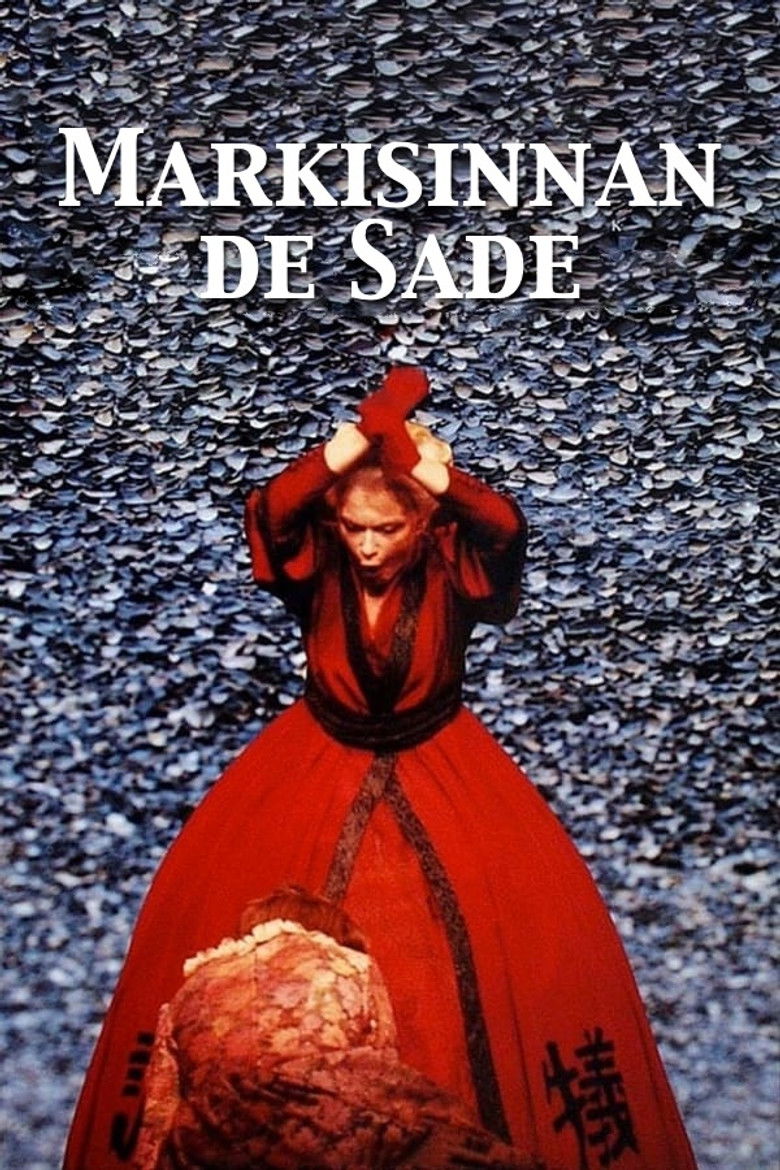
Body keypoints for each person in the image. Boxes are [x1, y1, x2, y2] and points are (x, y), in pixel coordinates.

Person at [64, 367, 697, 1170]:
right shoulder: (320, 568)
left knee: (504, 965)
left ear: (422, 525)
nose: (367, 546)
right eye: (355, 528)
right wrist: (361, 437)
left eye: (387, 530)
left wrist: (412, 458)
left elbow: (504, 526)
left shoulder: (452, 565)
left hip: (444, 761)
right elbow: (273, 510)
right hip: (313, 757)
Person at [131, 886, 542, 1169]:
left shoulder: (190, 989)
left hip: (213, 1137)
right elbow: (381, 1062)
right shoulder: (349, 963)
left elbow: (157, 1113)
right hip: (320, 1117)